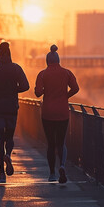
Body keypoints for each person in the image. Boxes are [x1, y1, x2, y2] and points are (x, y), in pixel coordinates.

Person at [0, 41, 30, 183]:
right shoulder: (16, 69)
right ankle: (8, 154)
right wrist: (14, 90)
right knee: (9, 137)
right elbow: (26, 86)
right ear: (10, 53)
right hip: (11, 108)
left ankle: (2, 174)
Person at [34, 44, 79, 183]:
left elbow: (37, 93)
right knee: (61, 142)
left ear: (47, 61)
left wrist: (42, 90)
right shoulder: (66, 73)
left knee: (51, 144)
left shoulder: (42, 74)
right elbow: (76, 88)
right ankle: (62, 165)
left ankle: (52, 174)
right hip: (62, 113)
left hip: (47, 113)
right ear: (58, 60)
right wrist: (66, 96)